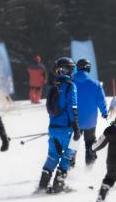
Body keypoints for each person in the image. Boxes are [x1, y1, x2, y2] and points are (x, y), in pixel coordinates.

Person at [36, 57, 80, 193]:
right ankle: (58, 185)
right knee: (68, 155)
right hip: (67, 128)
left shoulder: (53, 87)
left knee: (52, 155)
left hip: (53, 128)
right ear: (66, 70)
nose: (72, 71)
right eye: (71, 68)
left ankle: (43, 185)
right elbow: (72, 108)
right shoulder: (70, 86)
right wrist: (76, 127)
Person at [72, 58, 108, 167]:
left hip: (74, 119)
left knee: (73, 143)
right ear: (89, 68)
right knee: (90, 143)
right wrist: (104, 112)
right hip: (90, 120)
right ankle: (89, 167)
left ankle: (68, 168)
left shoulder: (71, 81)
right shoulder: (95, 84)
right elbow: (101, 100)